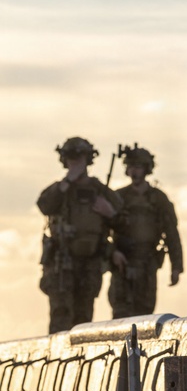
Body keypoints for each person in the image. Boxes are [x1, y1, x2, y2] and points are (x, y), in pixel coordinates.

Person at [37, 137, 119, 332]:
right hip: (61, 266)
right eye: (71, 158)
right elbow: (44, 205)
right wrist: (67, 181)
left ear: (88, 160)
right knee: (61, 320)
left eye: (79, 158)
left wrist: (110, 213)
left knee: (83, 323)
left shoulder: (100, 191)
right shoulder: (60, 189)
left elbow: (123, 222)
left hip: (90, 265)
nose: (75, 163)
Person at [108, 145, 183, 318]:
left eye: (138, 167)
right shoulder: (118, 198)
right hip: (123, 265)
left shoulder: (158, 199)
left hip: (147, 264)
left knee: (144, 315)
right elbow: (103, 231)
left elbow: (172, 233)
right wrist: (113, 253)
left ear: (146, 169)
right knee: (121, 315)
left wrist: (176, 266)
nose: (134, 171)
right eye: (131, 167)